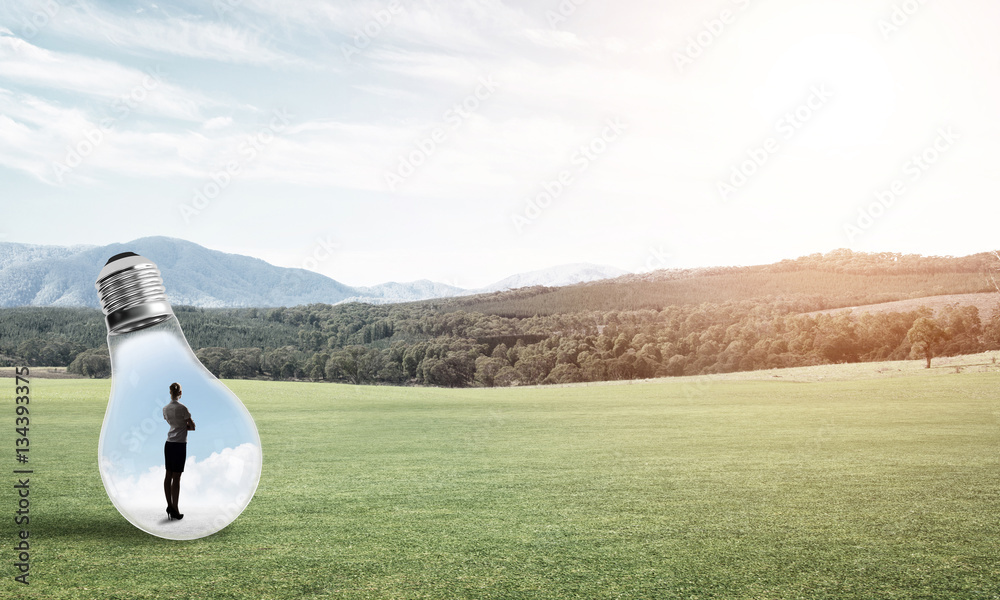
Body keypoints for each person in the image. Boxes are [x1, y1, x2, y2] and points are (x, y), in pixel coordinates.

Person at [162, 382, 195, 520]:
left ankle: (169, 505)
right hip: (180, 444)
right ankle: (175, 508)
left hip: (169, 444)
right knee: (177, 478)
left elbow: (171, 423)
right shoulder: (183, 408)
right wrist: (184, 427)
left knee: (168, 475)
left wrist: (178, 426)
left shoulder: (165, 409)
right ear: (180, 393)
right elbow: (192, 426)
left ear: (170, 393)